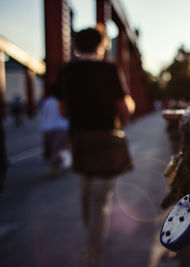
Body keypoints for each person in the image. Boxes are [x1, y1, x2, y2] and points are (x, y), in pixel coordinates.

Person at [54, 24, 135, 267]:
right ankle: (95, 254)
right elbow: (125, 109)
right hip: (106, 141)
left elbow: (62, 110)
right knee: (100, 202)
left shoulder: (66, 71)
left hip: (80, 140)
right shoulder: (109, 69)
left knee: (86, 196)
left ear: (76, 46)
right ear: (101, 45)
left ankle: (93, 243)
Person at [40, 87, 70, 176]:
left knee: (55, 149)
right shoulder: (63, 101)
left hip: (49, 128)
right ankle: (54, 168)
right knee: (59, 149)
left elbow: (44, 115)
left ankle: (61, 165)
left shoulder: (47, 102)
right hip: (61, 127)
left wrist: (44, 128)